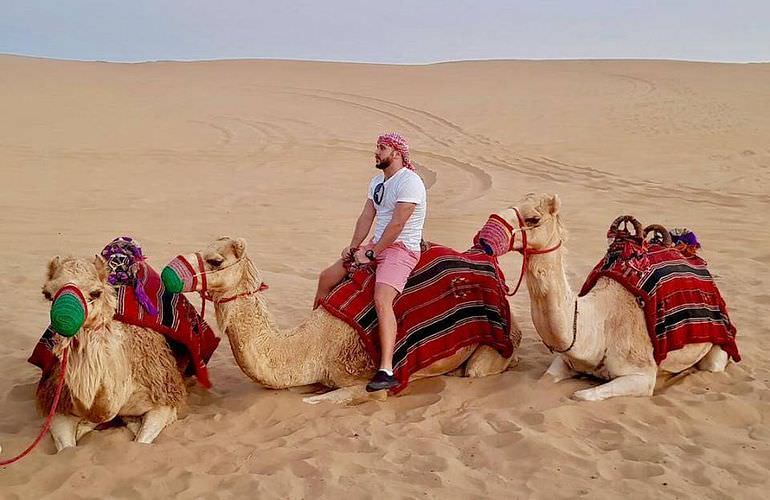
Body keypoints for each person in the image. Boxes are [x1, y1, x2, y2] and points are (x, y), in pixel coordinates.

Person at [313, 133, 427, 392]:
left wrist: (373, 252)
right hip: (375, 245)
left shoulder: (410, 183)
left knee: (382, 298)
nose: (376, 152)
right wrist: (354, 247)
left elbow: (398, 223)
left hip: (401, 249)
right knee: (326, 278)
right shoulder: (378, 182)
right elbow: (367, 216)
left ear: (396, 153)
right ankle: (313, 340)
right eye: (377, 147)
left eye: (382, 147)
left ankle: (386, 369)